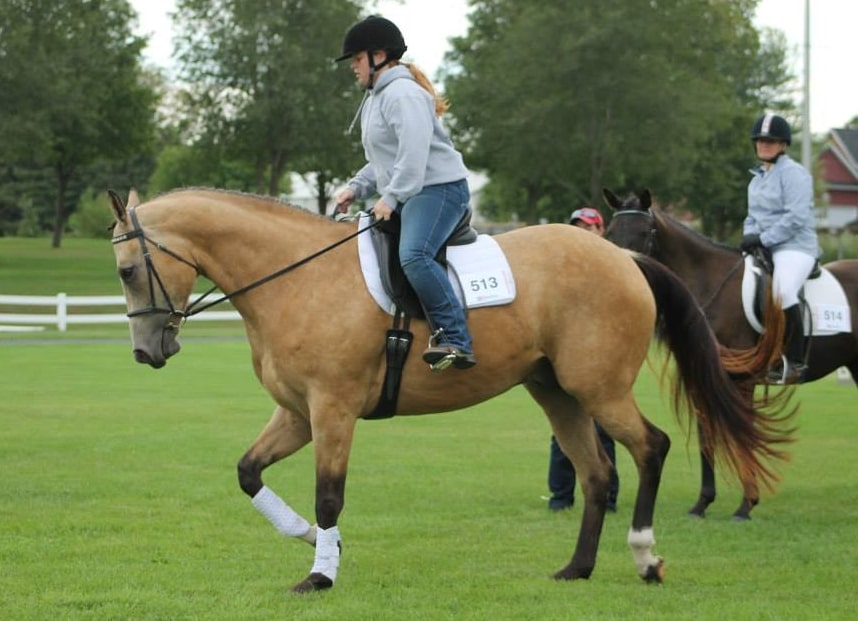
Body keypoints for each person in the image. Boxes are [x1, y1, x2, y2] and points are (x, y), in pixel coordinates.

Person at [334, 15, 476, 372]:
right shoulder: (377, 98)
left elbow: (413, 160)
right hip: (413, 190)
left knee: (414, 255)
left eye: (357, 59)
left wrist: (391, 197)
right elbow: (385, 161)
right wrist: (356, 187)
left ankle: (455, 339)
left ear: (378, 55)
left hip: (439, 190)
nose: (353, 67)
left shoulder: (403, 94)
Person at [546, 206, 620, 512]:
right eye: (577, 226)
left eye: (588, 227)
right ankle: (560, 498)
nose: (582, 232)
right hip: (566, 356)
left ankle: (609, 498)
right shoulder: (562, 270)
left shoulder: (615, 269)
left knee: (604, 427)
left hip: (600, 358)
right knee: (564, 428)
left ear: (601, 231)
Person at [740, 113, 819, 385]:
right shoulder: (756, 179)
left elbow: (796, 217)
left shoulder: (795, 174)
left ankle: (794, 360)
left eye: (771, 141)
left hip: (795, 246)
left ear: (783, 144)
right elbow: (751, 216)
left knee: (781, 292)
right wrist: (748, 235)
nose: (764, 145)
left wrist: (763, 239)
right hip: (765, 245)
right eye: (761, 141)